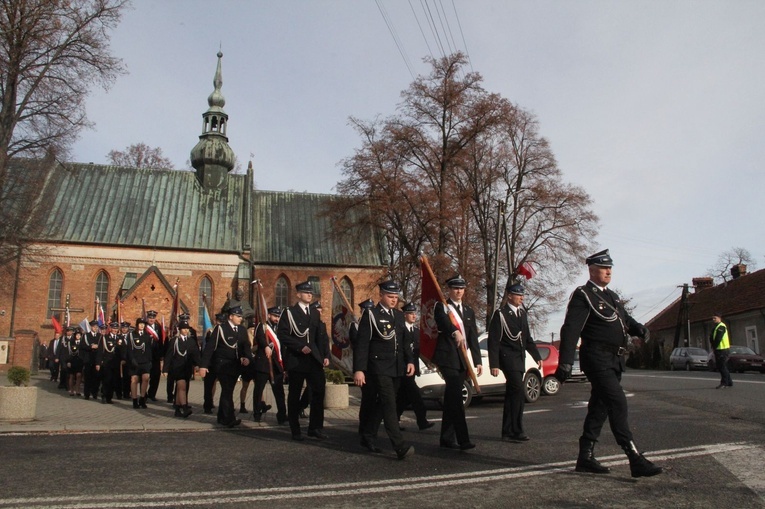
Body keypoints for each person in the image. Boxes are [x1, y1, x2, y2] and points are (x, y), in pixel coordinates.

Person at [556, 249, 662, 478]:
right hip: (596, 358)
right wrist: (565, 361)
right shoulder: (583, 295)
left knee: (600, 406)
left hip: (614, 360)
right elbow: (571, 329)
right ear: (592, 270)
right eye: (604, 268)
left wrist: (640, 329)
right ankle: (634, 457)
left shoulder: (611, 296)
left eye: (610, 268)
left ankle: (585, 457)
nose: (608, 272)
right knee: (618, 402)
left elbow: (624, 319)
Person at [353, 280, 415, 460]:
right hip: (378, 367)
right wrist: (359, 369)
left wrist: (410, 361)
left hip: (396, 367)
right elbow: (362, 344)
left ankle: (368, 434)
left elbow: (404, 342)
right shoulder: (371, 315)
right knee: (389, 404)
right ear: (381, 295)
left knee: (384, 403)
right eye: (390, 296)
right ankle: (399, 445)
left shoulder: (398, 316)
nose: (394, 300)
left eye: (396, 297)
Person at [432, 275, 483, 451]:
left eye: (461, 288)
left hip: (462, 360)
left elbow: (473, 338)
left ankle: (446, 438)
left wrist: (477, 361)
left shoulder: (468, 311)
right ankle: (463, 440)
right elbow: (444, 323)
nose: (459, 291)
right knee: (456, 398)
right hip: (447, 358)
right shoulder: (442, 307)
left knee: (452, 399)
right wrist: (455, 332)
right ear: (449, 290)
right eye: (455, 288)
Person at [488, 283, 542, 442]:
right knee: (518, 390)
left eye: (522, 295)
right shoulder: (501, 314)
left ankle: (508, 431)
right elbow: (493, 341)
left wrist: (537, 355)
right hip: (507, 358)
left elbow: (527, 338)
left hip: (519, 359)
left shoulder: (522, 314)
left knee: (514, 394)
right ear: (509, 296)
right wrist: (494, 364)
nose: (521, 298)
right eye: (518, 295)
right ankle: (516, 429)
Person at [277, 281, 330, 441]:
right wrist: (300, 347)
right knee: (294, 393)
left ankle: (315, 427)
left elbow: (319, 337)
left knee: (319, 391)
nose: (309, 294)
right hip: (297, 359)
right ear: (298, 294)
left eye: (311, 292)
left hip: (314, 359)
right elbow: (283, 335)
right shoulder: (289, 313)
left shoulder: (314, 313)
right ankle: (295, 429)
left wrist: (324, 355)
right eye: (306, 292)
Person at [199, 306, 252, 427]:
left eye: (241, 316)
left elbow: (246, 347)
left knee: (228, 390)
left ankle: (221, 417)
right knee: (227, 390)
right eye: (238, 316)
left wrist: (247, 358)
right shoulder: (220, 329)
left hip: (235, 365)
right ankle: (229, 418)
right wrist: (203, 365)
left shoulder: (242, 330)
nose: (240, 319)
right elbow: (210, 348)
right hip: (222, 365)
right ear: (231, 316)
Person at [396, 302, 433, 431]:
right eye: (411, 313)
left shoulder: (417, 331)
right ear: (405, 315)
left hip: (413, 368)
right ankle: (422, 421)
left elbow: (419, 350)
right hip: (403, 368)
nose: (413, 316)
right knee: (415, 395)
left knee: (403, 397)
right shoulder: (400, 329)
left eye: (414, 313)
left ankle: (393, 420)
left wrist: (427, 361)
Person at [252, 306, 286, 423]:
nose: (277, 318)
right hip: (263, 363)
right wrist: (266, 346)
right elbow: (260, 338)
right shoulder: (262, 326)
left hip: (276, 365)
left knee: (279, 392)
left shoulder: (279, 328)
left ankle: (282, 415)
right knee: (259, 390)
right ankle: (257, 413)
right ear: (269, 315)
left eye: (278, 316)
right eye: (275, 316)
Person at [164, 321, 202, 417]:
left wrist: (198, 364)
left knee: (181, 388)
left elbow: (195, 354)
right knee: (182, 386)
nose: (186, 330)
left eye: (187, 329)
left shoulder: (191, 341)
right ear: (180, 330)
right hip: (176, 368)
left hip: (187, 368)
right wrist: (165, 369)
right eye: (184, 329)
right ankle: (184, 408)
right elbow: (168, 355)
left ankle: (177, 409)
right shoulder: (174, 341)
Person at [202, 312, 226, 414]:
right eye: (219, 321)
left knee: (224, 386)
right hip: (211, 363)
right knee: (208, 385)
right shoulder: (211, 332)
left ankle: (224, 406)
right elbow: (209, 348)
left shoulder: (225, 331)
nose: (220, 323)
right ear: (216, 321)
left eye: (222, 322)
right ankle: (207, 405)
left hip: (220, 363)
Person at [127, 318, 153, 409]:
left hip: (145, 361)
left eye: (143, 324)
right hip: (135, 361)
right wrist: (132, 359)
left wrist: (150, 361)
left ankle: (142, 398)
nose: (142, 325)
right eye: (140, 324)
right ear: (137, 325)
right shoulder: (131, 335)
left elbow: (149, 349)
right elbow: (129, 349)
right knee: (134, 380)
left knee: (146, 378)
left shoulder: (147, 335)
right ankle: (134, 400)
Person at [95, 322, 121, 404]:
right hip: (106, 363)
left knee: (113, 381)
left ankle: (109, 397)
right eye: (113, 328)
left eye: (116, 328)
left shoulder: (120, 338)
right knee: (106, 380)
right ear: (110, 329)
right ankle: (104, 396)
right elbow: (100, 352)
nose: (115, 330)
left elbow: (123, 351)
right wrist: (98, 363)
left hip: (116, 363)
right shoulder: (105, 338)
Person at [145, 310, 164, 402]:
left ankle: (152, 394)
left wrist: (161, 355)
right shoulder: (144, 326)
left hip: (155, 356)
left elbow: (161, 341)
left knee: (156, 376)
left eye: (153, 318)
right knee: (145, 376)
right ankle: (143, 393)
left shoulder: (158, 327)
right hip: (145, 356)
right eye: (150, 317)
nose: (151, 319)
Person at [710, 313, 733, 389]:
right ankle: (729, 382)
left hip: (722, 350)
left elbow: (718, 339)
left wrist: (714, 347)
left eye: (715, 318)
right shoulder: (716, 327)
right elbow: (712, 337)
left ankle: (724, 383)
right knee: (722, 366)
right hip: (719, 349)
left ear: (719, 318)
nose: (713, 320)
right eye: (713, 318)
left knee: (721, 366)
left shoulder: (721, 327)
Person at [81, 320, 101, 400]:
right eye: (93, 327)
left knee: (96, 377)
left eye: (96, 327)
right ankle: (87, 394)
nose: (95, 328)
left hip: (96, 359)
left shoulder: (100, 336)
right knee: (88, 377)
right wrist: (90, 347)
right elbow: (82, 346)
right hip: (88, 359)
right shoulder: (86, 336)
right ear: (91, 327)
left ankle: (95, 393)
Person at [64, 329, 84, 396]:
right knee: (71, 376)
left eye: (79, 335)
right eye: (77, 335)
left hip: (80, 361)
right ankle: (71, 390)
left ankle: (77, 390)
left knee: (79, 376)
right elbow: (68, 353)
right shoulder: (71, 343)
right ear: (75, 335)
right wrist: (68, 361)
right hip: (72, 361)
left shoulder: (82, 343)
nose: (78, 336)